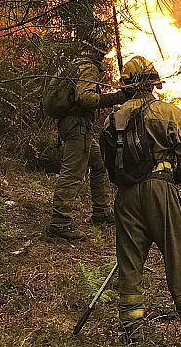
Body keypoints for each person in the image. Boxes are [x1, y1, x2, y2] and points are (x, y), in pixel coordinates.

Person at [110, 55, 181, 347]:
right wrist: (169, 175)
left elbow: (111, 164)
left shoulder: (114, 118)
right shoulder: (169, 113)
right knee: (179, 257)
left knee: (129, 264)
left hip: (126, 196)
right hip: (160, 190)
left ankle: (133, 334)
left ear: (128, 86)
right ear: (153, 84)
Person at [47, 38, 125, 241]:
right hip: (77, 128)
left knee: (99, 166)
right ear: (99, 54)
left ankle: (101, 212)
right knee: (72, 173)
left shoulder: (74, 65)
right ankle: (60, 222)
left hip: (74, 126)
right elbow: (85, 98)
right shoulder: (89, 68)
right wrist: (116, 98)